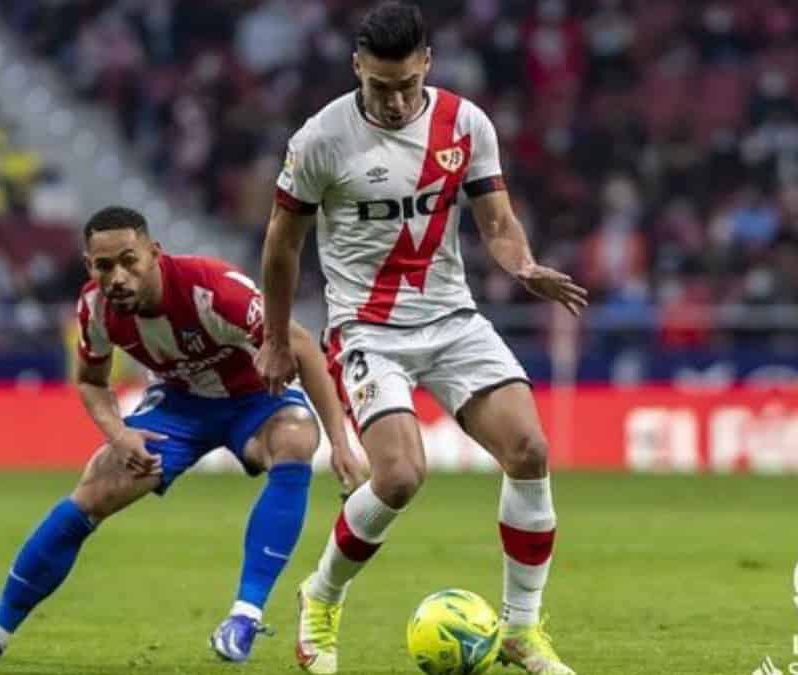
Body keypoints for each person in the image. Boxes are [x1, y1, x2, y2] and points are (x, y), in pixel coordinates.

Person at [255, 3, 587, 674]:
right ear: (357, 67)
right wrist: (276, 338)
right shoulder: (320, 139)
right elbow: (282, 244)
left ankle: (521, 630)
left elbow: (497, 221)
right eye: (381, 86)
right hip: (366, 327)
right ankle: (322, 594)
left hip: (452, 318)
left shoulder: (466, 123)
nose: (396, 100)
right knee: (401, 475)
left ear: (427, 63)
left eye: (408, 83)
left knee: (529, 449)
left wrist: (522, 265)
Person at [0, 206, 365, 663]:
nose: (118, 277)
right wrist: (119, 434)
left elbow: (300, 346)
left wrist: (340, 442)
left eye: (129, 261)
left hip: (255, 399)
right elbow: (90, 380)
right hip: (178, 407)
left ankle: (244, 616)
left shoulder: (212, 288)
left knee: (295, 440)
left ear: (154, 254)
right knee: (93, 491)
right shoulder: (94, 308)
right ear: (89, 266)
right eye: (104, 266)